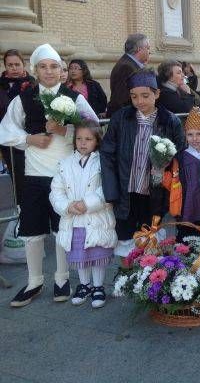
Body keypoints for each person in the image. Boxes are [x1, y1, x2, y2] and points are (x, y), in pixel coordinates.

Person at [0, 43, 98, 307]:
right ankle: (34, 281)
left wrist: (65, 131)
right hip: (33, 174)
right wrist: (28, 138)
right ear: (35, 69)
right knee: (32, 228)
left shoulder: (74, 96)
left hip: (64, 174)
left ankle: (61, 278)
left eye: (54, 66)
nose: (49, 71)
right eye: (43, 66)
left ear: (61, 69)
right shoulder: (23, 99)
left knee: (61, 228)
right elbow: (5, 130)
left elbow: (93, 125)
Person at [100, 68, 185, 259]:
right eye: (134, 96)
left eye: (145, 95)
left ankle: (149, 281)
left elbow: (180, 154)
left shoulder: (170, 121)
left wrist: (166, 167)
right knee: (125, 239)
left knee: (152, 238)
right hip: (126, 192)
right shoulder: (121, 118)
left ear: (157, 94)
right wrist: (111, 191)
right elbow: (107, 153)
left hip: (154, 194)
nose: (140, 101)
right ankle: (126, 277)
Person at [49, 121, 117, 308]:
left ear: (97, 141)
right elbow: (56, 190)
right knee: (81, 256)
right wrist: (67, 205)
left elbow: (108, 188)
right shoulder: (64, 163)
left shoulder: (102, 162)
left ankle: (98, 287)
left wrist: (88, 203)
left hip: (96, 218)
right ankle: (84, 285)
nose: (83, 143)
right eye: (79, 138)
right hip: (74, 219)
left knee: (96, 253)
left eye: (88, 139)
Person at [168, 107, 200, 241]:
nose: (194, 138)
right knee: (186, 242)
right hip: (187, 208)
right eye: (190, 134)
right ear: (185, 135)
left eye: (199, 134)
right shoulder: (180, 157)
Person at [0, 49, 34, 205]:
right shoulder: (1, 85)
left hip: (30, 137)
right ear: (5, 65)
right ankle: (21, 210)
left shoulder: (33, 83)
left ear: (23, 64)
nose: (14, 68)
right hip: (8, 138)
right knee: (17, 175)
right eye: (10, 65)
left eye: (17, 64)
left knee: (33, 175)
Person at [107, 33, 150, 116]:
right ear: (138, 49)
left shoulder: (130, 64)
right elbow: (122, 99)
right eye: (148, 48)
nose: (149, 52)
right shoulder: (126, 67)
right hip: (125, 119)